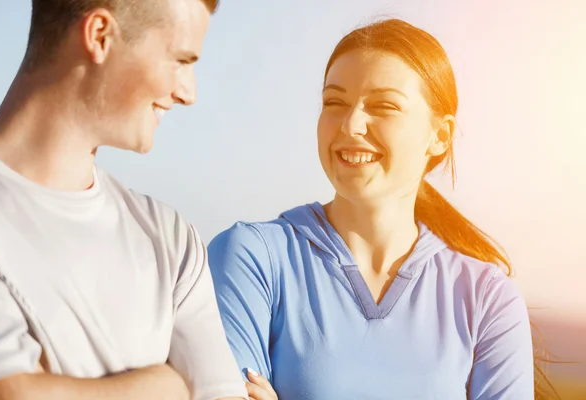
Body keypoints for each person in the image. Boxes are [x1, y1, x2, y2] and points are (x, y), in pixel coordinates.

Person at [208, 18, 542, 400]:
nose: (351, 125)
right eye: (335, 102)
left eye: (383, 106)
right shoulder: (252, 258)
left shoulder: (487, 298)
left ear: (440, 135)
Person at [0, 1, 247, 399]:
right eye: (180, 59)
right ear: (100, 36)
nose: (188, 92)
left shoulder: (172, 239)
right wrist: (170, 386)